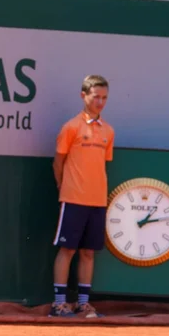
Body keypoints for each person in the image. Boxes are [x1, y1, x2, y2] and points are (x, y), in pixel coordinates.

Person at [49, 75, 115, 318]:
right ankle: (59, 304)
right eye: (96, 96)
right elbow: (58, 163)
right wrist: (64, 188)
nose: (100, 102)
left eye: (104, 97)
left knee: (88, 252)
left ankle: (83, 303)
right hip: (73, 198)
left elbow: (102, 165)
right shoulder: (71, 127)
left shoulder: (108, 131)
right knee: (67, 250)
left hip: (97, 201)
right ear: (83, 96)